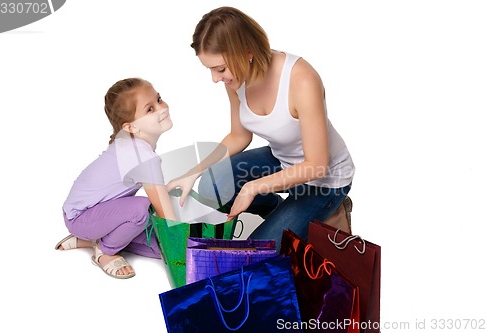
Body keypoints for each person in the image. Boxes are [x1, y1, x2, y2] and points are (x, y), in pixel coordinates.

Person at [167, 7, 355, 250]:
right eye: (210, 70)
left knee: (255, 251)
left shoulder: (301, 79)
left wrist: (253, 187)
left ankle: (331, 210)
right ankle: (282, 211)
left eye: (220, 69)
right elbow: (239, 136)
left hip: (325, 178)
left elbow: (317, 165)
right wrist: (193, 172)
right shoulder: (236, 79)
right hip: (282, 161)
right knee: (212, 183)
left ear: (247, 52)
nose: (215, 78)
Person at [55, 77, 175, 279]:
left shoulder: (136, 145)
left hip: (103, 212)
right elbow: (165, 212)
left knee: (160, 249)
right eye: (150, 109)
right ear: (130, 127)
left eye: (159, 99)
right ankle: (106, 251)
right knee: (143, 210)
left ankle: (95, 239)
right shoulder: (141, 156)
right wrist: (184, 241)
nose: (162, 108)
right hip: (80, 217)